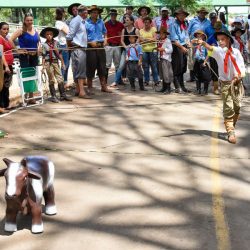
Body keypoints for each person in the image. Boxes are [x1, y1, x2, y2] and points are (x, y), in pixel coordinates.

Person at [197, 29, 245, 143]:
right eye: (219, 40)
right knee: (228, 107)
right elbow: (210, 48)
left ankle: (231, 125)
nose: (220, 42)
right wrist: (203, 43)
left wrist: (238, 76)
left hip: (237, 83)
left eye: (222, 39)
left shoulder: (236, 52)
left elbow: (241, 66)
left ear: (228, 40)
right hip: (225, 84)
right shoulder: (219, 51)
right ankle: (231, 132)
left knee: (237, 106)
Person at [11, 13, 40, 104]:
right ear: (24, 21)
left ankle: (31, 97)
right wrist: (17, 50)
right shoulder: (21, 30)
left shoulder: (36, 31)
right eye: (27, 20)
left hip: (34, 56)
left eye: (31, 20)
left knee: (33, 76)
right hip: (25, 57)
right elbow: (10, 40)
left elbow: (38, 42)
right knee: (26, 76)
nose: (29, 22)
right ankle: (26, 96)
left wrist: (39, 49)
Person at [41, 27, 72, 102]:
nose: (49, 36)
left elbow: (59, 54)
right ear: (45, 36)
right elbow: (44, 56)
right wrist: (43, 67)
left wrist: (63, 63)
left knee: (60, 77)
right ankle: (53, 96)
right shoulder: (44, 45)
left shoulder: (56, 43)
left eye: (50, 34)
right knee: (51, 79)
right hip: (48, 63)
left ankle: (63, 95)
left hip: (55, 62)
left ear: (53, 35)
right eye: (47, 34)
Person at [66, 5, 91, 99]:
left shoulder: (82, 21)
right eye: (87, 12)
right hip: (78, 48)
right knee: (80, 70)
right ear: (83, 12)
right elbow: (69, 36)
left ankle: (78, 89)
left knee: (77, 69)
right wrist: (70, 47)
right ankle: (81, 91)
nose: (87, 13)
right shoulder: (76, 20)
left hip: (80, 48)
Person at [86, 5, 111, 93]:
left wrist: (105, 39)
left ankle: (104, 86)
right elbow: (82, 37)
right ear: (90, 13)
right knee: (90, 67)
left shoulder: (101, 22)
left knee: (102, 67)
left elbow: (105, 33)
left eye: (97, 12)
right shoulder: (86, 23)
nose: (95, 14)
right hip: (90, 47)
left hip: (100, 46)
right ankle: (89, 87)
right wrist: (89, 43)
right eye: (93, 12)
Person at [114, 16, 140, 87]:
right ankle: (116, 81)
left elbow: (138, 39)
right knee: (121, 66)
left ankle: (138, 81)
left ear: (132, 21)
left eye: (127, 20)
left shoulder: (136, 30)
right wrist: (126, 47)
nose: (125, 21)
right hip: (126, 50)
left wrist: (134, 45)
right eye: (125, 20)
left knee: (135, 66)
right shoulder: (123, 30)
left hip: (134, 51)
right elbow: (122, 40)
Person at [170, 8, 190, 93]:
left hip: (184, 45)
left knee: (183, 67)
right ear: (177, 15)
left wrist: (188, 43)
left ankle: (182, 85)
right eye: (180, 15)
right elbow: (174, 39)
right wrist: (182, 47)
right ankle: (177, 86)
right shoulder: (173, 24)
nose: (182, 16)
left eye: (183, 15)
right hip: (177, 47)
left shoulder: (184, 23)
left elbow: (186, 35)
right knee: (177, 67)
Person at [187, 7, 210, 83]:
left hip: (203, 43)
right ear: (198, 13)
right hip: (194, 42)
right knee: (192, 59)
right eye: (201, 12)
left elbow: (208, 33)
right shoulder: (193, 21)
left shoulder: (208, 22)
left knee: (203, 59)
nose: (202, 14)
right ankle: (192, 77)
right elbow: (188, 31)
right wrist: (188, 42)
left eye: (204, 13)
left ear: (205, 14)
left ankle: (202, 76)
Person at [105, 9, 124, 84]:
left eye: (115, 15)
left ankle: (118, 80)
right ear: (110, 15)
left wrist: (120, 43)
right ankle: (105, 81)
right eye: (112, 15)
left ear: (116, 15)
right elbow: (104, 33)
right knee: (107, 64)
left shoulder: (120, 24)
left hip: (117, 46)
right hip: (109, 46)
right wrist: (105, 42)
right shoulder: (106, 24)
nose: (113, 16)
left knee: (117, 64)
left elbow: (123, 33)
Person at [140, 17, 159, 87]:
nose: (146, 23)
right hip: (144, 50)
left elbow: (155, 39)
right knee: (145, 66)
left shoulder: (154, 29)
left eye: (148, 22)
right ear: (143, 23)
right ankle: (146, 80)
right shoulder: (141, 30)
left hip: (153, 50)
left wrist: (145, 39)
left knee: (154, 66)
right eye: (145, 22)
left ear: (150, 23)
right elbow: (140, 40)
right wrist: (150, 39)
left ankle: (156, 80)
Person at [0, 22, 14, 113]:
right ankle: (1, 106)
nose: (6, 31)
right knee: (2, 86)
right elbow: (1, 54)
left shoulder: (6, 38)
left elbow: (13, 48)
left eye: (7, 29)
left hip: (9, 64)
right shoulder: (0, 39)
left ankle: (6, 104)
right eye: (4, 29)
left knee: (6, 85)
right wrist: (6, 66)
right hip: (3, 65)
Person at [191, 30, 211, 95]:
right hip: (197, 61)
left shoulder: (205, 44)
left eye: (200, 35)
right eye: (197, 35)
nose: (198, 36)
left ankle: (205, 90)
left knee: (206, 76)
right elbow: (190, 46)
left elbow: (209, 53)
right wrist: (191, 42)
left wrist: (205, 62)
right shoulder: (195, 44)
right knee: (197, 76)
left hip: (204, 61)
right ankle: (198, 89)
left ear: (203, 37)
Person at [206, 21, 223, 95]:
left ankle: (223, 87)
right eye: (216, 29)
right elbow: (207, 47)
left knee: (222, 72)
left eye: (219, 29)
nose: (217, 30)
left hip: (222, 56)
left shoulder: (224, 36)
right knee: (215, 72)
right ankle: (215, 88)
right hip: (213, 57)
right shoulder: (211, 37)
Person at [55, 7, 70, 88]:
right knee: (64, 65)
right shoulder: (59, 23)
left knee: (67, 64)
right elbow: (68, 32)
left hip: (66, 44)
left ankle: (65, 82)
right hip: (62, 45)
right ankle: (61, 84)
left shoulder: (63, 22)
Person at [156, 26, 173, 94]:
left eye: (162, 34)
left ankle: (168, 89)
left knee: (166, 74)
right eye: (160, 33)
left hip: (166, 59)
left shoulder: (168, 41)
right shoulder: (159, 40)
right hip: (160, 58)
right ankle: (164, 87)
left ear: (165, 34)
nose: (161, 35)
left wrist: (163, 49)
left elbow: (171, 50)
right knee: (162, 74)